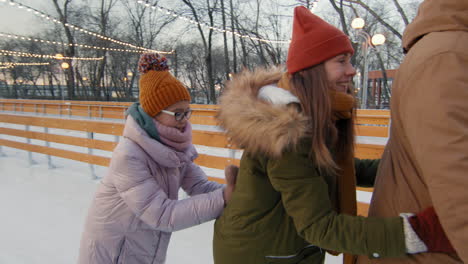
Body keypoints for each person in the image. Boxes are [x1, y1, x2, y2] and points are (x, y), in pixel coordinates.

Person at [213, 6, 454, 264]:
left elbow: (337, 168)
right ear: (313, 69)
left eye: (349, 60)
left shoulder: (314, 117)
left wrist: (407, 166)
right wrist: (418, 232)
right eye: (341, 61)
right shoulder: (287, 131)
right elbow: (320, 227)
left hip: (286, 246)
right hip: (256, 253)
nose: (352, 70)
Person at [77, 53, 236, 264]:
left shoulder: (175, 148)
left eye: (187, 112)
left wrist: (240, 193)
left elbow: (199, 185)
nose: (184, 121)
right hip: (113, 253)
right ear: (153, 113)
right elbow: (162, 215)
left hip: (143, 250)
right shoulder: (129, 156)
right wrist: (224, 197)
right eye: (177, 114)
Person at [356, 0, 467, 263]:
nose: (350, 70)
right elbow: (458, 186)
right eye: (340, 61)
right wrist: (401, 233)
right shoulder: (447, 57)